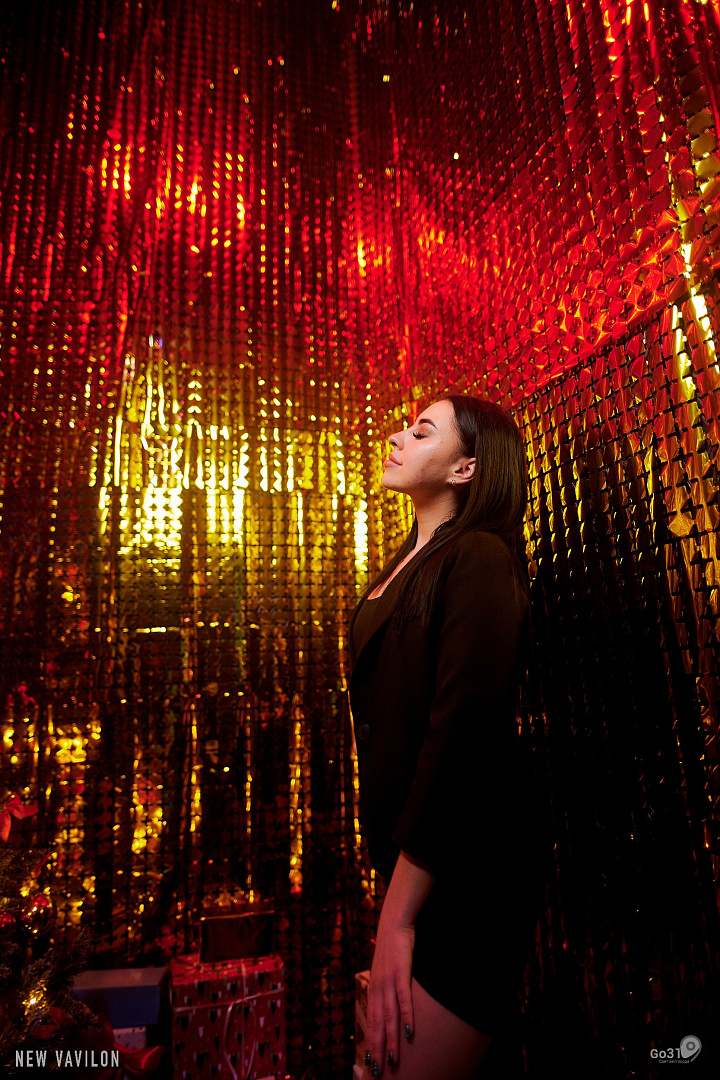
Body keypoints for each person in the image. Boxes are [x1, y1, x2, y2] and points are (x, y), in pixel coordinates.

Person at [347, 395, 551, 1079]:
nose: (396, 437)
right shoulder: (407, 562)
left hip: (466, 876)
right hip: (413, 873)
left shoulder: (481, 558)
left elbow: (463, 737)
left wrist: (397, 920)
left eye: (421, 431)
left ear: (466, 468)